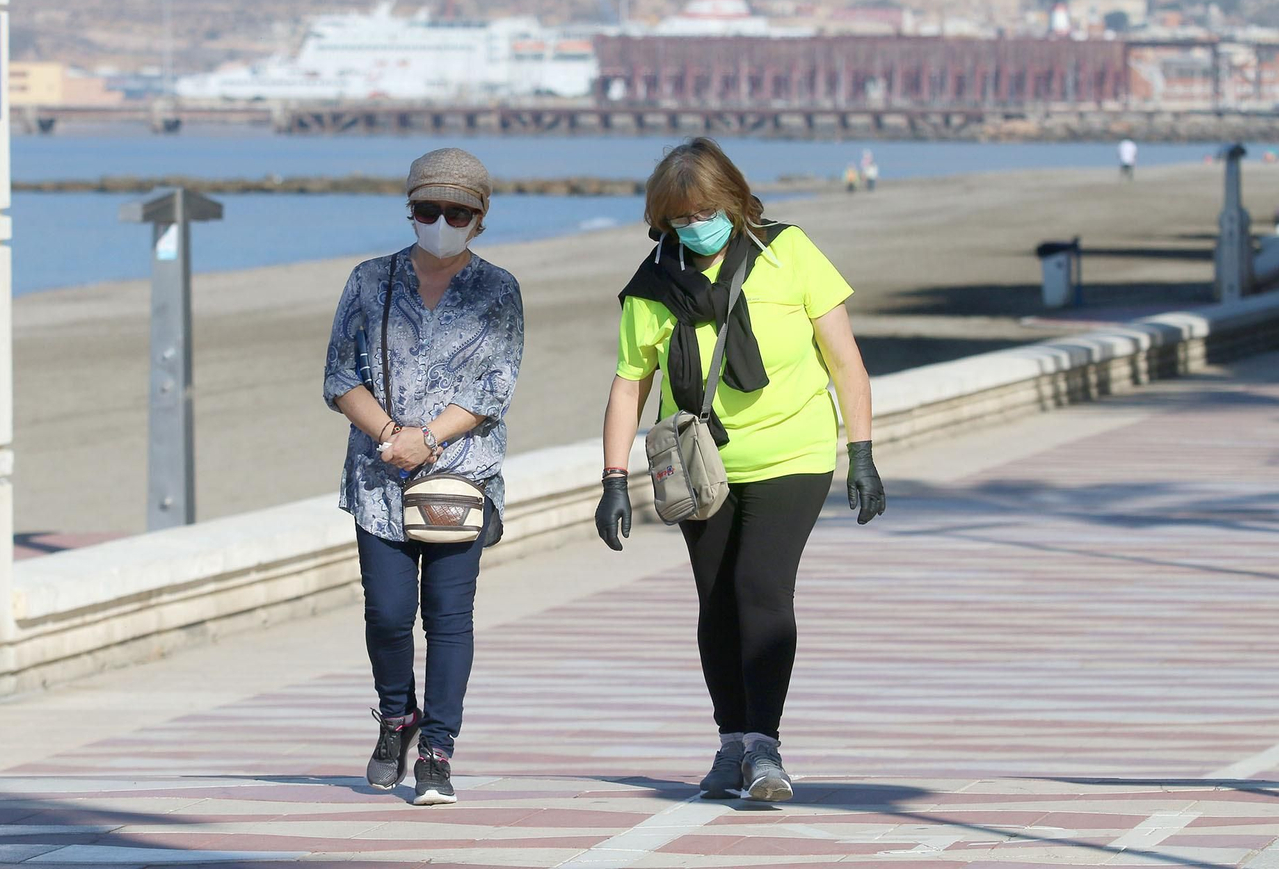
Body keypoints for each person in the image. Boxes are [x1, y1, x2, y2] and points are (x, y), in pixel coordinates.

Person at [593, 137, 885, 803]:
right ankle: (732, 743)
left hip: (793, 454)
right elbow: (628, 382)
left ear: (734, 201)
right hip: (698, 468)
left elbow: (846, 361)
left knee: (760, 586)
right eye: (679, 219)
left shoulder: (790, 252)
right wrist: (613, 478)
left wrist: (861, 454)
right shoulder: (653, 285)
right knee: (717, 597)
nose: (695, 227)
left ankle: (764, 747)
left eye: (705, 212)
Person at [323, 147, 524, 806]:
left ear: (481, 216)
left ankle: (437, 750)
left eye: (456, 211)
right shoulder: (367, 281)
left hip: (459, 482)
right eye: (427, 209)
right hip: (377, 480)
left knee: (448, 617)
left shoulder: (499, 290)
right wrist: (390, 436)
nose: (441, 220)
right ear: (409, 211)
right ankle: (394, 715)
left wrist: (429, 438)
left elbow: (496, 386)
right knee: (386, 614)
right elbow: (340, 377)